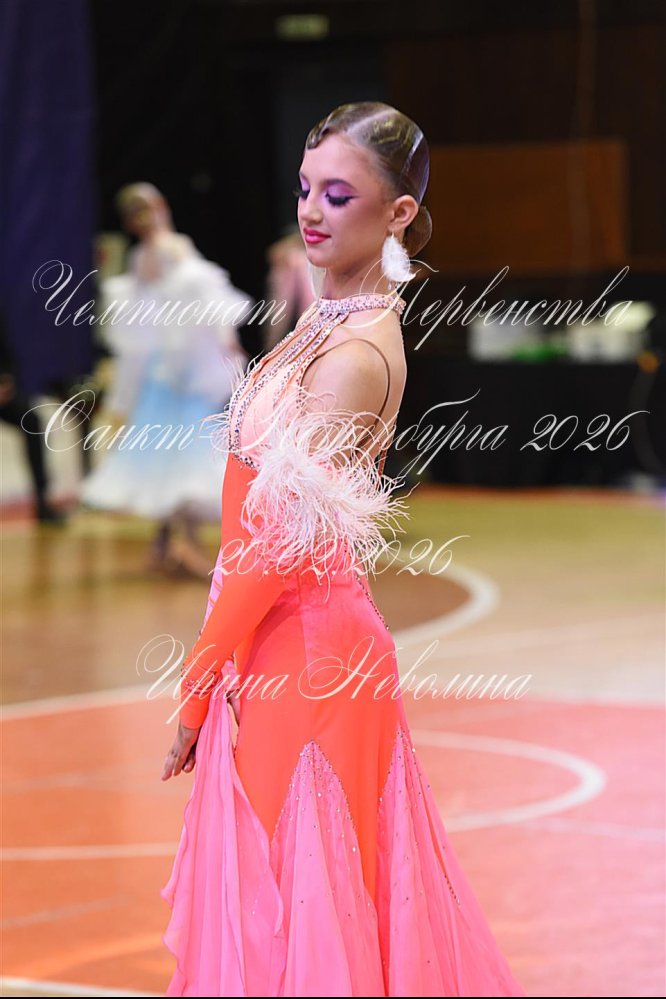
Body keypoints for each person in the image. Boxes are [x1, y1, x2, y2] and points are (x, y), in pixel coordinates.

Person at [160, 103, 524, 996]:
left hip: (309, 660)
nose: (311, 212)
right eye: (305, 189)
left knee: (302, 912)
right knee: (292, 907)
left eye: (338, 194)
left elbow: (278, 542)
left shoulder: (354, 355)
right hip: (279, 646)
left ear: (398, 213)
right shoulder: (330, 321)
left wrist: (197, 684)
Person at [80, 183, 252, 576]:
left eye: (149, 209)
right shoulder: (165, 250)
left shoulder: (152, 253)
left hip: (172, 368)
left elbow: (175, 309)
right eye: (141, 212)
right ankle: (181, 542)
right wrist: (224, 342)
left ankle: (167, 541)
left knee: (171, 456)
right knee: (181, 454)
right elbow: (197, 301)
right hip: (174, 372)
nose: (149, 217)